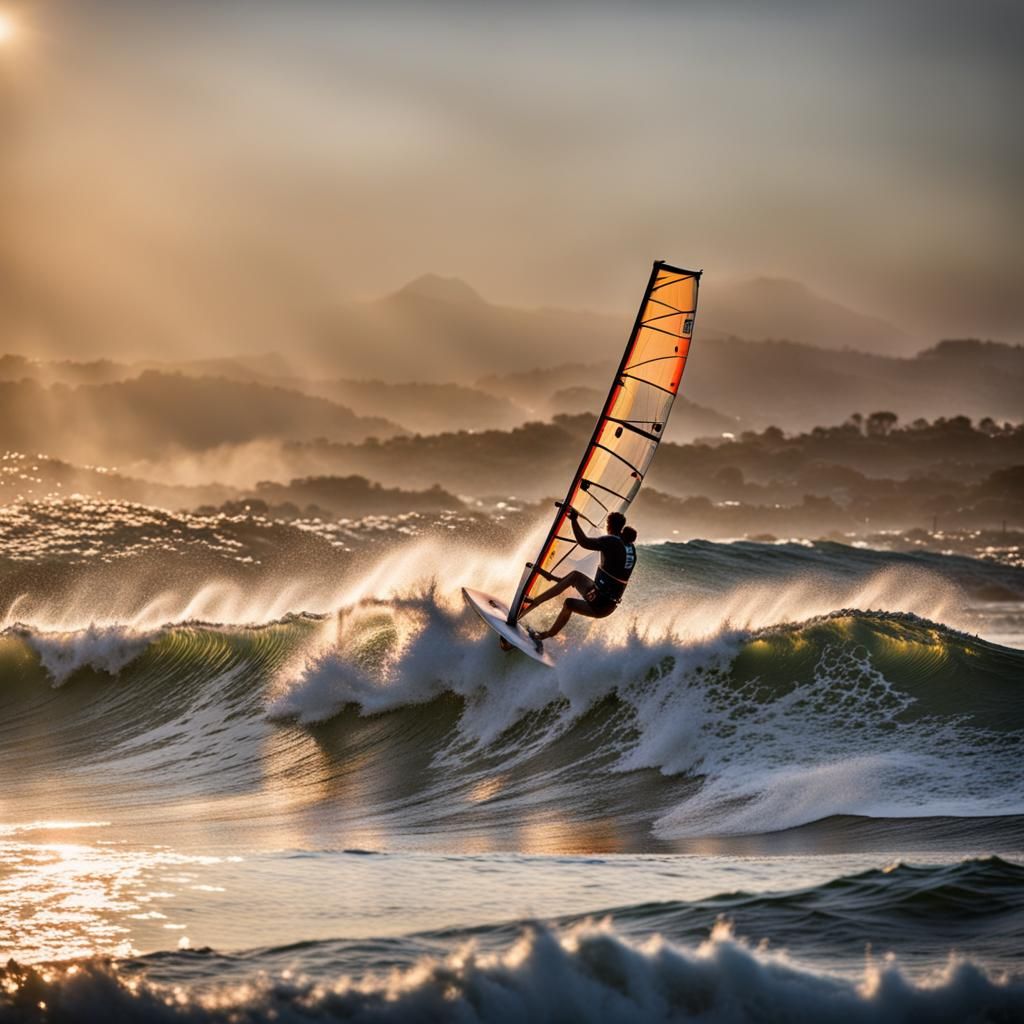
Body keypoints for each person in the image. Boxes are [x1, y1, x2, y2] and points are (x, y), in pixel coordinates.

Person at [520, 508, 637, 651]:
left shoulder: (612, 541)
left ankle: (542, 627)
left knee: (569, 601)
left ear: (609, 526)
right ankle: (539, 607)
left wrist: (574, 520)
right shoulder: (630, 547)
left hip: (599, 602)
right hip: (606, 603)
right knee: (575, 578)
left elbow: (584, 542)